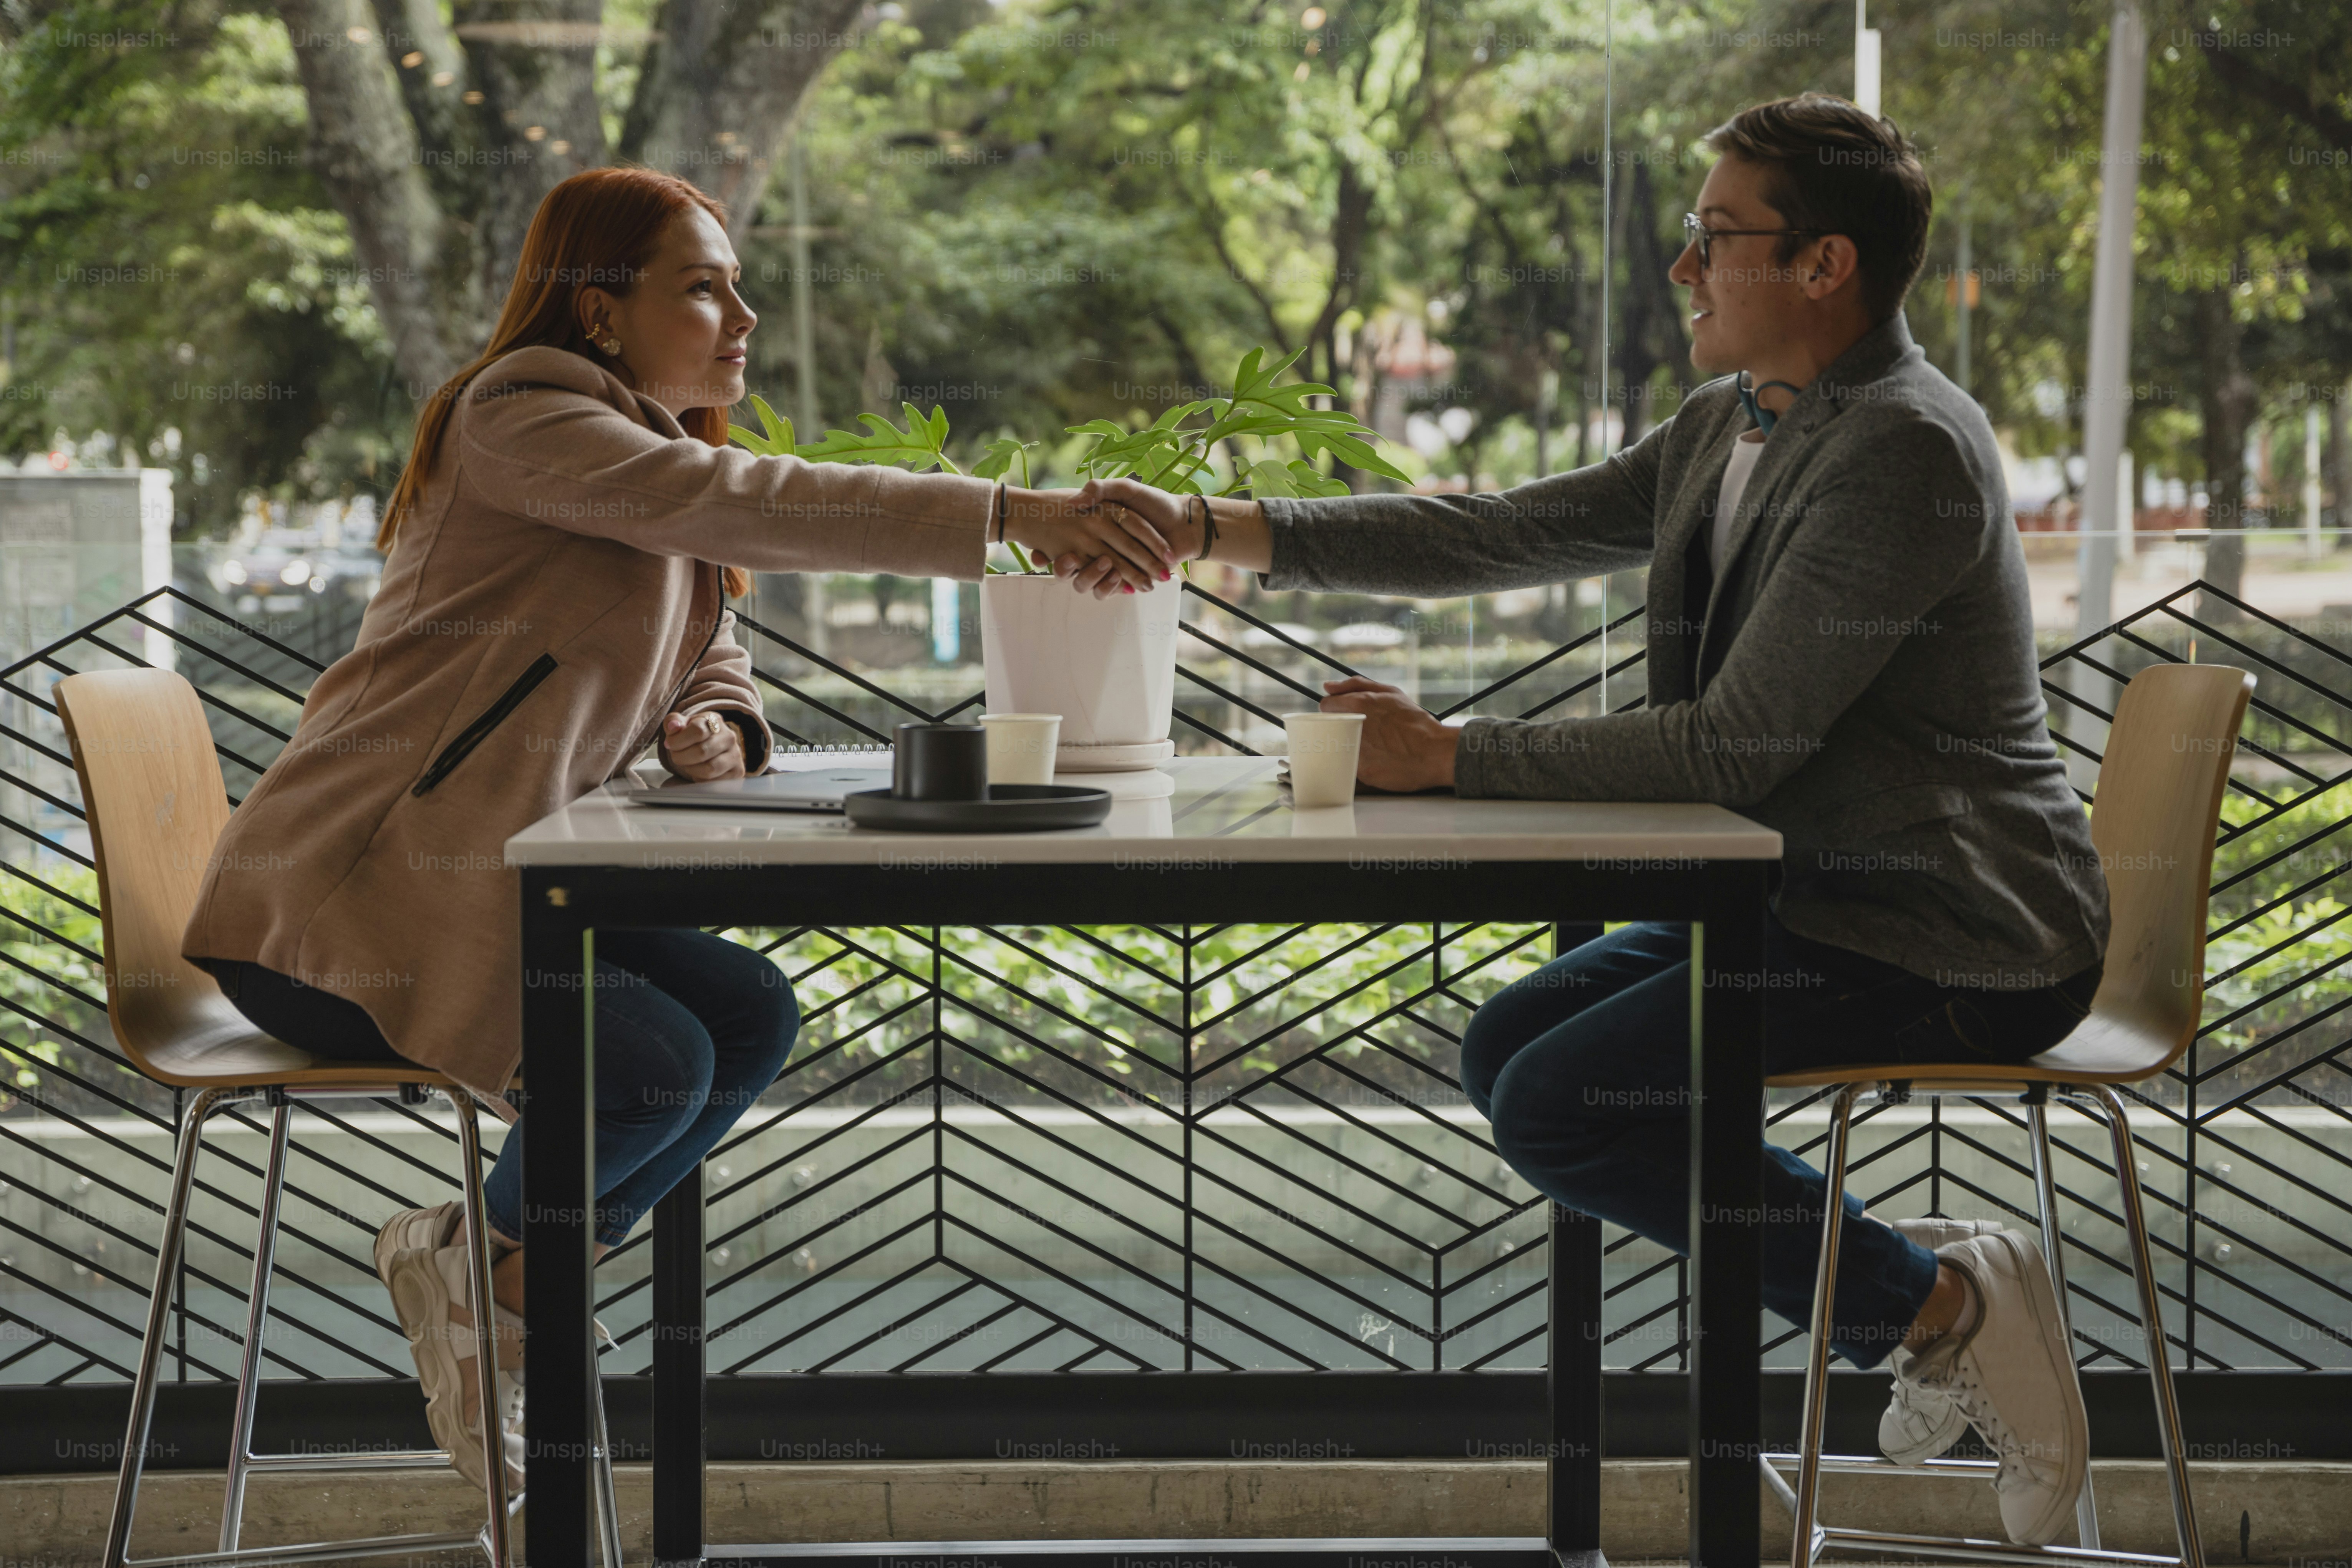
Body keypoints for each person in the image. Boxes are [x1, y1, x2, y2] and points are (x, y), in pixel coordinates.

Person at [1080, 95, 2106, 1547]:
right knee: (1509, 1051)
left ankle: (1941, 1304)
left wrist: (1448, 759)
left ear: (1822, 265)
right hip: (1800, 899)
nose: (1682, 268)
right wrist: (1213, 530)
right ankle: (1919, 1281)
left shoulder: (1903, 449)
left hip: (1954, 929)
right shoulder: (1728, 422)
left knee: (1568, 1101)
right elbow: (1502, 528)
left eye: (1712, 237)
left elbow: (1735, 746)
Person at [180, 166, 1175, 1492]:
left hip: (509, 889)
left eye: (737, 282)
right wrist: (1017, 516)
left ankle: (488, 1278)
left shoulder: (643, 450)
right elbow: (752, 501)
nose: (741, 316)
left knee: (750, 1014)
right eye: (702, 287)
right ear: (595, 308)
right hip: (345, 907)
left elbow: (709, 643)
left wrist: (725, 729)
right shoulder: (522, 415)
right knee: (646, 1056)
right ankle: (499, 1300)